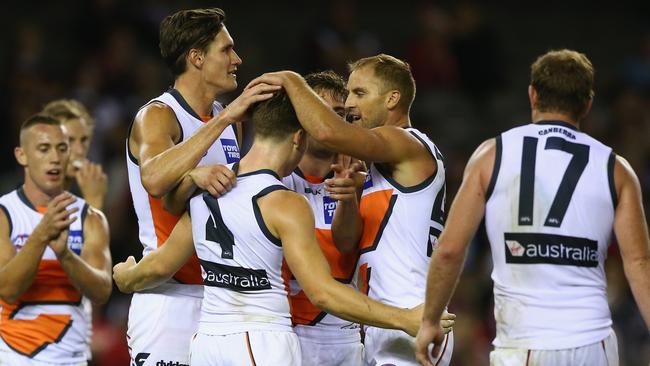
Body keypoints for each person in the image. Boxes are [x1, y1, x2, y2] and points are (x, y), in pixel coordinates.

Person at [114, 90, 425, 365]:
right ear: (298, 138)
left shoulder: (207, 188)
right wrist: (404, 319)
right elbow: (323, 294)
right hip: (261, 339)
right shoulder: (285, 204)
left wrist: (126, 277)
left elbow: (160, 265)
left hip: (207, 340)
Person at [415, 49, 650, 366]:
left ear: (532, 95)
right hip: (593, 344)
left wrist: (430, 320)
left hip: (524, 345)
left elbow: (450, 250)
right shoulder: (617, 169)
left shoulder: (491, 155)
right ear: (588, 103)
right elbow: (639, 263)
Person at [247, 54, 454, 366]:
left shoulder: (404, 141)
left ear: (392, 98)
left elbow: (330, 133)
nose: (351, 104)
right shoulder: (376, 172)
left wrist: (292, 80)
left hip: (411, 316)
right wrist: (350, 198)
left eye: (360, 93)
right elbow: (347, 244)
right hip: (384, 322)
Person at [125, 8, 278, 366]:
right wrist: (224, 116)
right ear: (196, 57)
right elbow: (154, 178)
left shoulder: (230, 120)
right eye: (226, 50)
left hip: (221, 296)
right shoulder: (158, 115)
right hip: (169, 298)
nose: (237, 59)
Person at [0, 115, 112, 365]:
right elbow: (7, 290)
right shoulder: (4, 214)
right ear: (22, 156)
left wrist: (65, 256)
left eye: (62, 149)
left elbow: (102, 291)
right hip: (13, 357)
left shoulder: (90, 217)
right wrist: (41, 236)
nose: (55, 158)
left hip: (72, 359)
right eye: (43, 148)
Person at [42, 99, 108, 210]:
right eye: (69, 140)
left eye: (84, 140)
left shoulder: (74, 200)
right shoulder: (31, 202)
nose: (80, 150)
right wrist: (94, 202)